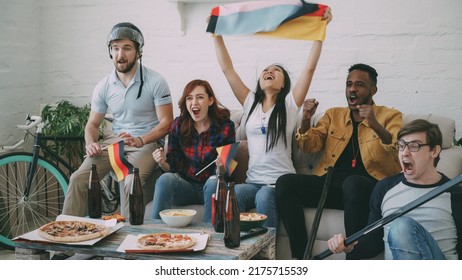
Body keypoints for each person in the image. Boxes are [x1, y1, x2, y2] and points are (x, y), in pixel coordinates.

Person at [212, 8, 333, 227]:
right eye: (266, 70)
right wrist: (216, 33)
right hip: (252, 182)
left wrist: (320, 31)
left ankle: (268, 255)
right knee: (228, 195)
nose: (269, 71)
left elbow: (310, 68)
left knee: (263, 197)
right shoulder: (250, 103)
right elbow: (227, 70)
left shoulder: (289, 105)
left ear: (284, 83)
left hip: (278, 184)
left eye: (276, 71)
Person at [275, 63, 403, 259]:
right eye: (349, 84)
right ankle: (300, 258)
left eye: (359, 84)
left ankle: (354, 260)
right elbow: (309, 146)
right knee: (286, 183)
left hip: (368, 189)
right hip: (332, 185)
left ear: (373, 90)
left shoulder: (390, 116)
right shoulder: (334, 115)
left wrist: (374, 124)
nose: (352, 89)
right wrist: (306, 120)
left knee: (352, 183)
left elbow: (397, 150)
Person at [63, 22, 173, 218]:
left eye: (127, 48)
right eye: (115, 48)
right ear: (110, 52)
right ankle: (66, 241)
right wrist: (90, 144)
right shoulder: (104, 85)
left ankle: (128, 241)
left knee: (131, 181)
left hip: (146, 143)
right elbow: (92, 124)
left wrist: (141, 140)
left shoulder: (156, 81)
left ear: (139, 52)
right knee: (78, 178)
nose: (120, 54)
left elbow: (167, 123)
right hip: (115, 142)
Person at [327, 119, 462, 260]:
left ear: (434, 151)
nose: (405, 153)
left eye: (414, 146)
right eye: (402, 146)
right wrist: (349, 247)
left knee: (400, 227)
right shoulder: (385, 188)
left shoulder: (454, 194)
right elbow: (372, 244)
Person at [151, 79, 235, 222]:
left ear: (210, 100)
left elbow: (227, 173)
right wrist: (162, 162)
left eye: (200, 97)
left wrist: (221, 168)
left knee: (214, 182)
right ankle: (155, 235)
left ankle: (211, 236)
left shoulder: (226, 126)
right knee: (165, 179)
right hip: (185, 188)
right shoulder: (178, 124)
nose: (194, 103)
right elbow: (172, 167)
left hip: (212, 186)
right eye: (189, 98)